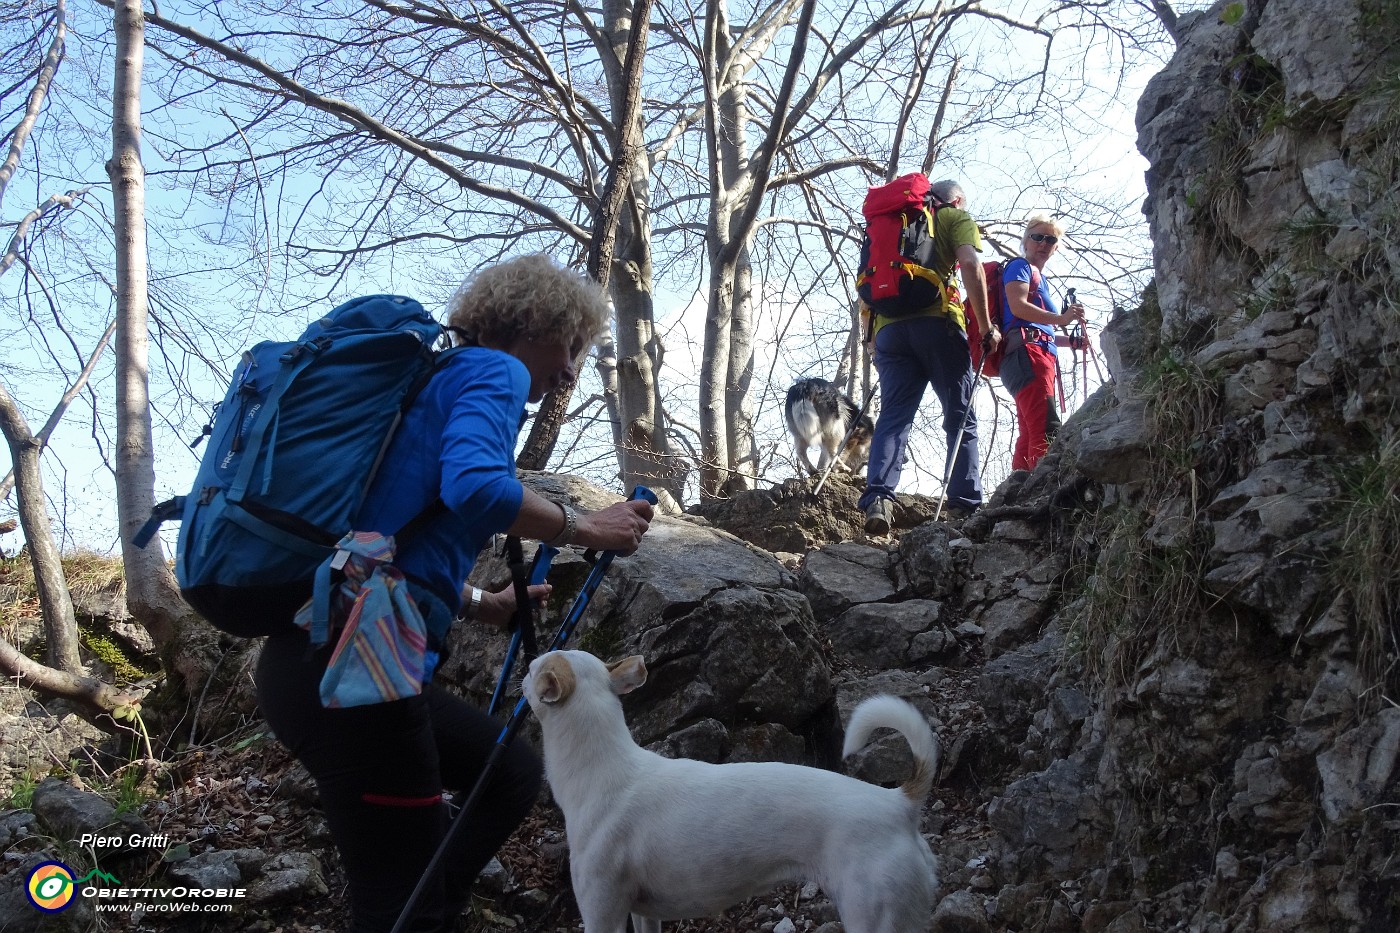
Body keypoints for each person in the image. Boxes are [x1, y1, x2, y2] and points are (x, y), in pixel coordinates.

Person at [254, 255, 655, 933]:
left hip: (327, 657)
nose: (567, 371)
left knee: (507, 776)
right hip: (356, 674)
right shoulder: (490, 371)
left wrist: (480, 602)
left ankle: (435, 900)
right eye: (568, 346)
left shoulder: (436, 382)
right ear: (531, 321)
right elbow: (475, 488)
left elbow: (393, 532)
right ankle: (428, 907)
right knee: (399, 903)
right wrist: (588, 526)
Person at [858, 179, 1001, 534]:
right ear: (956, 199)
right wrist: (984, 326)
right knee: (960, 415)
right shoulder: (954, 216)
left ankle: (878, 497)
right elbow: (969, 264)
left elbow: (867, 284)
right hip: (938, 324)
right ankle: (964, 505)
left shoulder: (890, 222)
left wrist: (870, 337)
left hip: (889, 332)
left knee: (893, 417)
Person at [998, 214, 1086, 472]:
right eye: (1038, 237)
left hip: (1028, 354)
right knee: (1046, 427)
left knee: (1030, 429)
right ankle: (1040, 490)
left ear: (1056, 247)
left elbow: (1036, 328)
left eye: (1051, 239)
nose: (1044, 243)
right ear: (1025, 241)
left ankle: (1016, 490)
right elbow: (1018, 307)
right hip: (1028, 355)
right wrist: (1062, 318)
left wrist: (1070, 341)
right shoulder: (1020, 267)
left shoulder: (1040, 279)